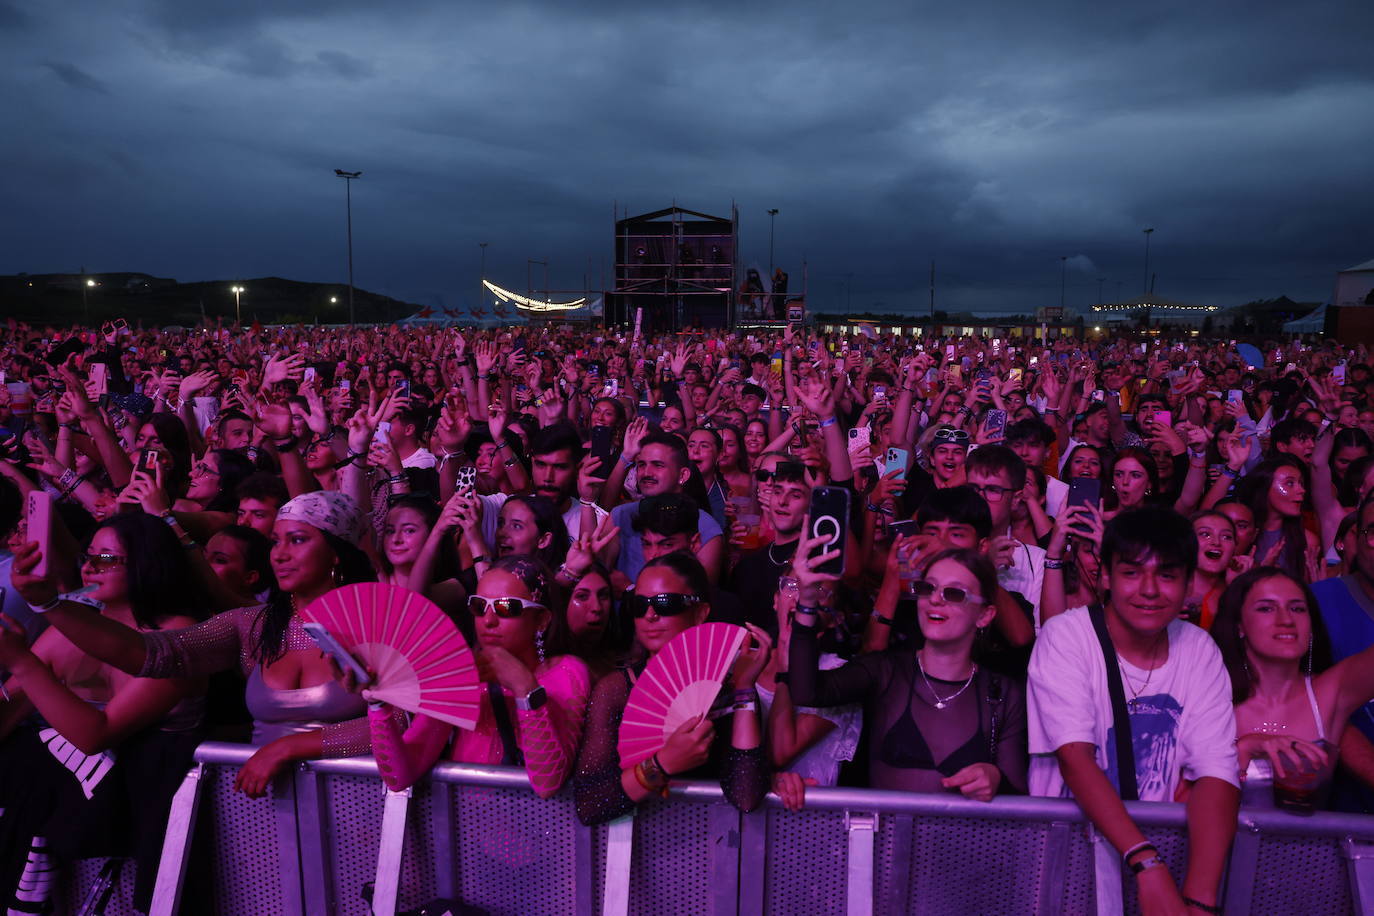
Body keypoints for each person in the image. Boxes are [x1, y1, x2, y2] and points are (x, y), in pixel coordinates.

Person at [10, 491, 384, 798]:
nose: (279, 554)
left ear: (337, 552)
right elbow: (153, 654)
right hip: (261, 802)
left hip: (359, 803)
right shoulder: (254, 626)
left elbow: (402, 722)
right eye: (275, 541)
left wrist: (288, 747)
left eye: (298, 540)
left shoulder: (382, 626)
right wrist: (49, 606)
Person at [1027, 507, 1239, 915]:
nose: (1149, 589)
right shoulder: (1067, 636)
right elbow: (1075, 757)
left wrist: (1199, 900)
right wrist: (1146, 862)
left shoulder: (1198, 648)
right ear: (1105, 575)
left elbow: (1217, 770)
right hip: (1068, 855)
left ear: (1188, 582)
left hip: (1167, 855)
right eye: (1131, 572)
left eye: (1167, 575)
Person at [1, 514, 206, 913]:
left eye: (107, 557)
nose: (89, 567)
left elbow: (96, 735)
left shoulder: (179, 634)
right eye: (87, 556)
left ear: (148, 563)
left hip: (143, 809)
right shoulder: (70, 629)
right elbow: (7, 716)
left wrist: (24, 664)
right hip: (75, 809)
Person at [790, 534, 1027, 798]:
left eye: (954, 593)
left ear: (984, 615)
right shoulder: (885, 671)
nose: (935, 599)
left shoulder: (1003, 694)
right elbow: (806, 692)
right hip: (883, 839)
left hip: (966, 839)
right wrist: (807, 604)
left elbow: (1019, 799)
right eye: (927, 588)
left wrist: (995, 779)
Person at [354, 557, 590, 797]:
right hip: (465, 828)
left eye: (505, 607)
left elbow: (547, 783)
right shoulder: (462, 676)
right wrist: (376, 704)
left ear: (541, 620)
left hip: (539, 830)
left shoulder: (567, 672)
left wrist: (526, 691)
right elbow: (398, 776)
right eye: (479, 606)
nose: (488, 621)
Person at [573, 552, 770, 825]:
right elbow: (590, 803)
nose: (650, 615)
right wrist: (664, 763)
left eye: (666, 603)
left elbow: (746, 796)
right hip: (635, 846)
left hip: (712, 843)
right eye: (639, 605)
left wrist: (745, 690)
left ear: (700, 613)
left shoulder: (729, 689)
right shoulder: (616, 689)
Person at [1211, 567, 1374, 810]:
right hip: (1221, 847)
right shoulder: (1211, 693)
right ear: (1239, 626)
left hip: (1309, 848)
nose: (1286, 620)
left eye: (1297, 608)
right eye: (1266, 608)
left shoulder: (1330, 691)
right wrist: (1244, 746)